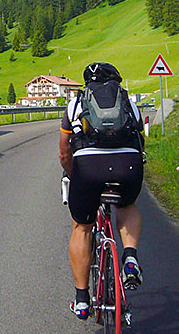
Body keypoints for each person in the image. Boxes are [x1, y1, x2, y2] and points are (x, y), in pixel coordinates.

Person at [59, 62, 145, 320]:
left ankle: (82, 299)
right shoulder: (128, 103)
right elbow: (141, 141)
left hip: (88, 168)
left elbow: (64, 152)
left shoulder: (76, 104)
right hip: (127, 164)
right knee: (127, 206)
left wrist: (74, 175)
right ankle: (129, 257)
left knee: (82, 227)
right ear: (116, 81)